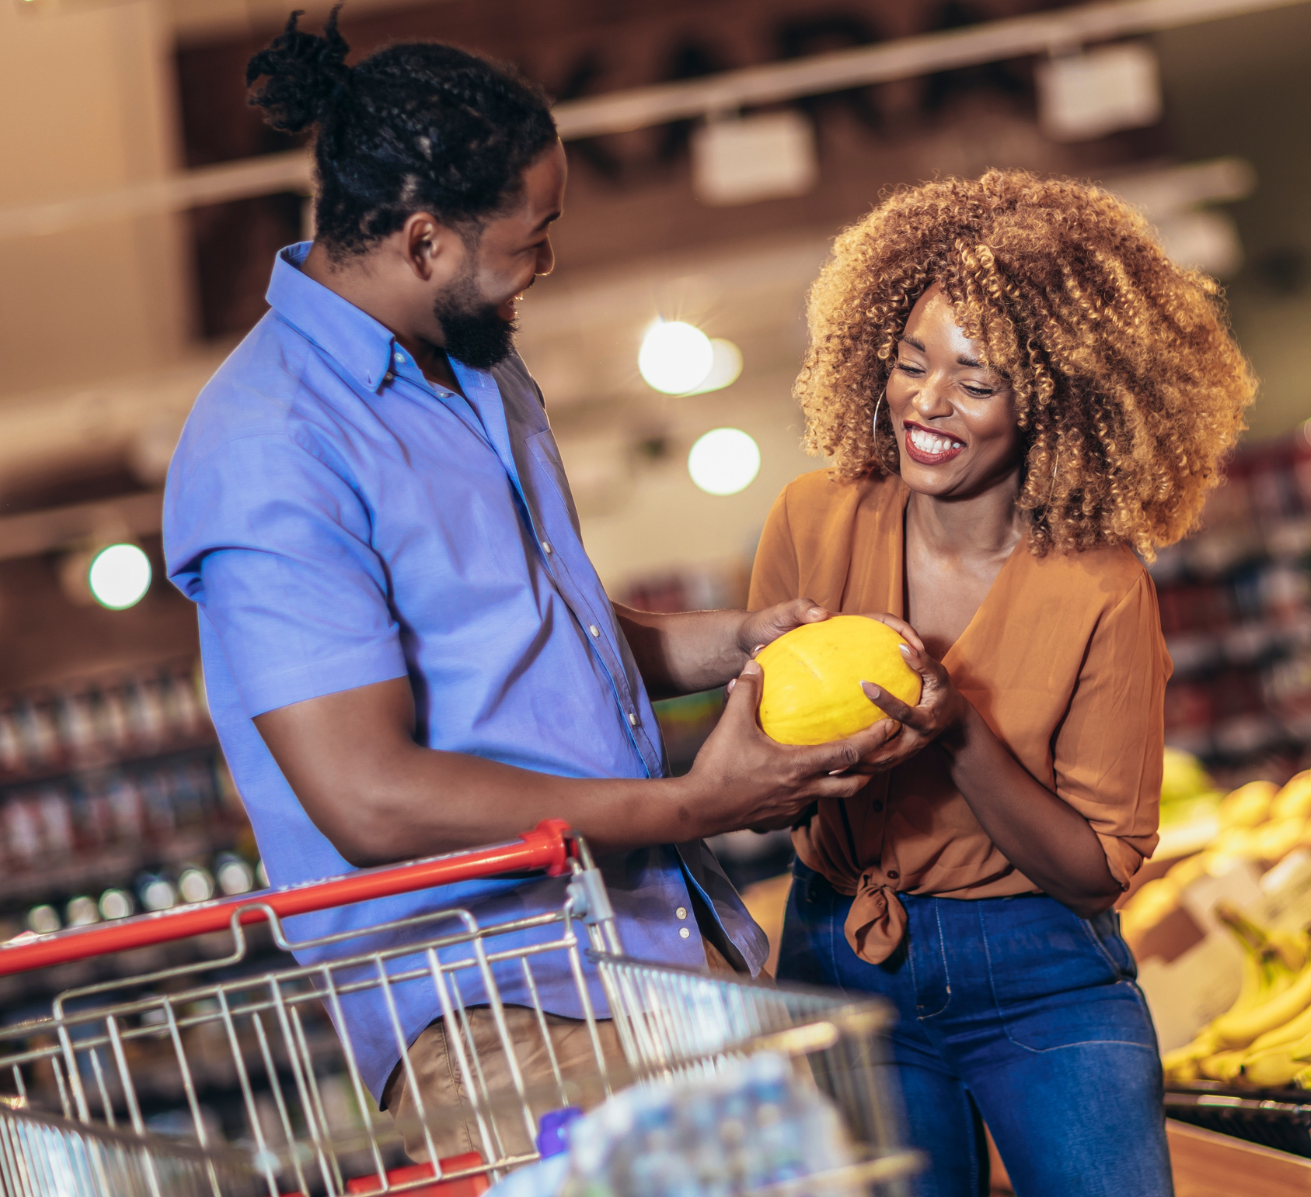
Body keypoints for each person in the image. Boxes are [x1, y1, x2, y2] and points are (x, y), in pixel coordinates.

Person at [161, 12, 891, 1164]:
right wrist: (692, 804)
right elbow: (367, 795)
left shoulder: (476, 372)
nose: (544, 268)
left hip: (655, 936)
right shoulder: (271, 445)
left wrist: (731, 642)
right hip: (490, 1006)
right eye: (530, 239)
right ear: (422, 242)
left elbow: (537, 642)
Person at [749, 171, 1255, 1196]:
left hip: (1042, 977)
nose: (927, 404)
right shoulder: (815, 519)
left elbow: (1094, 870)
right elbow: (756, 756)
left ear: (1055, 404)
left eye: (975, 382)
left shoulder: (1103, 587)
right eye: (908, 363)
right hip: (844, 957)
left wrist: (954, 731)